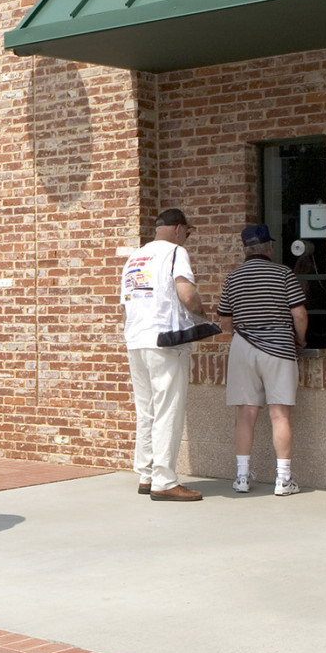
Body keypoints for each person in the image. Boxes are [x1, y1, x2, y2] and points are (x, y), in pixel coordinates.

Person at [122, 208, 206, 502]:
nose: (188, 238)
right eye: (189, 233)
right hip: (165, 340)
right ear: (180, 229)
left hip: (136, 339)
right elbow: (186, 294)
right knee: (168, 409)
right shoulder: (175, 252)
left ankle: (146, 475)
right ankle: (165, 480)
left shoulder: (135, 257)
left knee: (146, 411)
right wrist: (202, 314)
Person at [218, 224, 308, 496]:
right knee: (279, 414)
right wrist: (300, 340)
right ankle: (283, 480)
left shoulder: (233, 278)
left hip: (243, 346)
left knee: (245, 414)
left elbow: (225, 321)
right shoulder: (284, 274)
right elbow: (300, 315)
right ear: (269, 247)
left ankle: (242, 477)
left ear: (245, 249)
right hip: (279, 347)